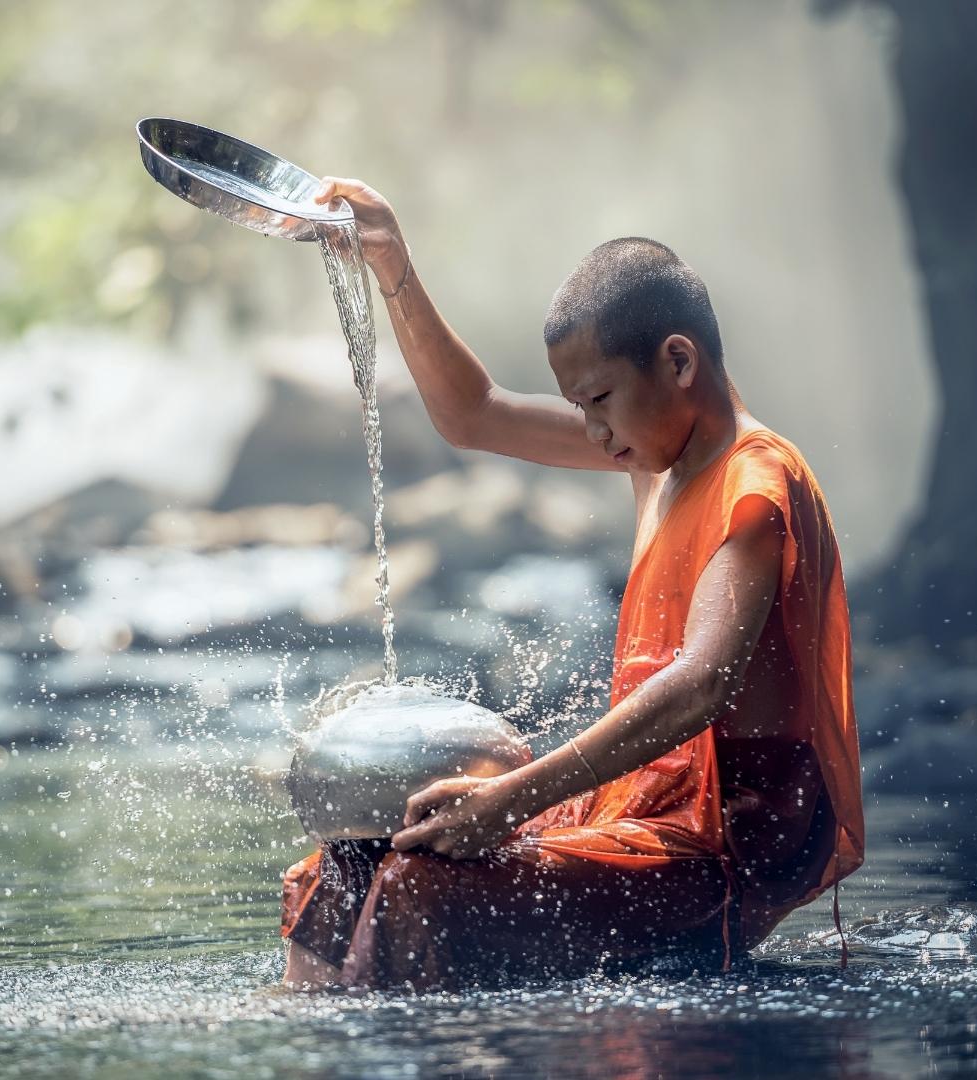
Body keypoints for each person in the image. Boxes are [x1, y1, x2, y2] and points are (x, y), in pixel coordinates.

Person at [280, 178, 865, 992]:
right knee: (344, 861)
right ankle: (304, 1036)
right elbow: (474, 414)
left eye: (598, 401)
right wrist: (391, 262)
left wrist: (513, 799)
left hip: (720, 847)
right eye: (577, 407)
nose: (593, 434)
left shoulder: (753, 481)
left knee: (417, 886)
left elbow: (702, 684)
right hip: (634, 809)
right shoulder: (654, 451)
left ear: (678, 361)